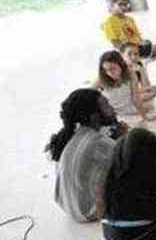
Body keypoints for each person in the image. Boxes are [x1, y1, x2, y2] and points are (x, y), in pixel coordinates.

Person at [45, 88, 127, 222]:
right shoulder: (99, 142)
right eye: (106, 105)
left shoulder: (72, 136)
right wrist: (124, 139)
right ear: (94, 116)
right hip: (89, 211)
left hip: (68, 206)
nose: (112, 108)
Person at [94, 51, 156, 122]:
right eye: (106, 70)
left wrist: (145, 118)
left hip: (128, 105)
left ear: (121, 65)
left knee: (152, 99)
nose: (109, 73)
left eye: (112, 69)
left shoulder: (130, 74)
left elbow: (135, 98)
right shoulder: (101, 78)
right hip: (113, 110)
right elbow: (86, 94)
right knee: (149, 105)